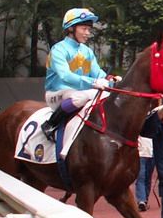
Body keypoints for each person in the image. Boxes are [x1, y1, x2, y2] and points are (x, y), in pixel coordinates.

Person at [42, 8, 112, 141]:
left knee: (106, 95)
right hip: (56, 94)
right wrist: (93, 83)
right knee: (78, 97)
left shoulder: (87, 51)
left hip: (80, 93)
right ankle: (50, 124)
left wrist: (110, 79)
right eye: (84, 29)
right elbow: (65, 76)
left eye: (89, 30)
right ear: (71, 29)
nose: (88, 33)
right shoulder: (58, 49)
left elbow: (97, 73)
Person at [135, 136, 154, 212]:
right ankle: (143, 200)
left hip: (142, 153)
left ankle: (142, 200)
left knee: (142, 178)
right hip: (149, 153)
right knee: (145, 178)